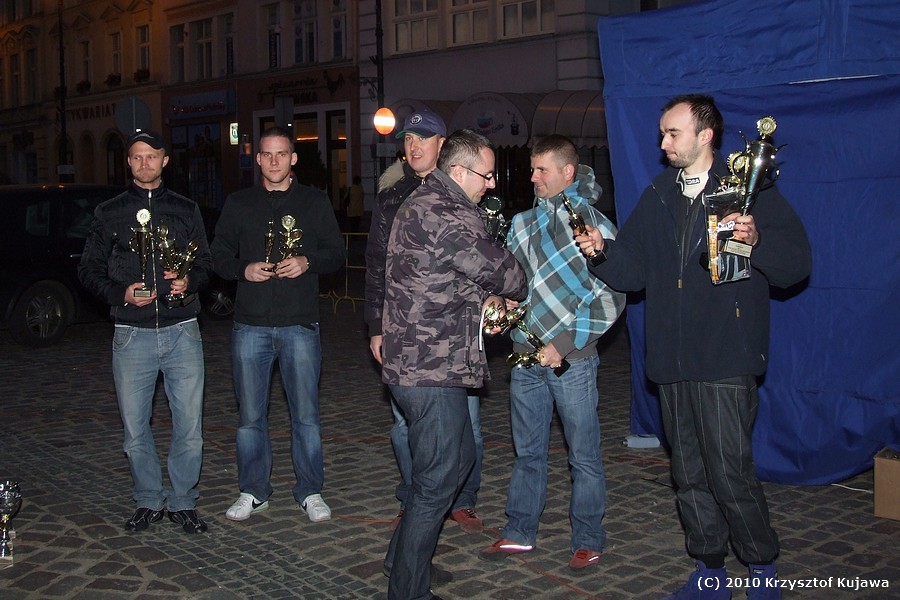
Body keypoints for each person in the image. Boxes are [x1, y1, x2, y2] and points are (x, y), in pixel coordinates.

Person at [575, 94, 812, 600]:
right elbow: (634, 271)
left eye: (672, 133)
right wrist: (601, 252)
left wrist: (758, 242)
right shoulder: (659, 194)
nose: (663, 143)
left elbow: (796, 267)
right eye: (662, 133)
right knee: (688, 475)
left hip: (726, 354)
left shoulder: (747, 191)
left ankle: (762, 570)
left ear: (706, 136)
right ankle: (709, 573)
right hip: (672, 357)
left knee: (730, 472)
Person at [381, 129, 527, 600]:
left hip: (426, 361)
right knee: (436, 482)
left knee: (459, 459)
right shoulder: (447, 212)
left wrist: (479, 296)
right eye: (487, 175)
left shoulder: (428, 201)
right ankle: (408, 590)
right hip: (430, 367)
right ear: (460, 172)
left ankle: (399, 557)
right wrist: (506, 283)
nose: (492, 184)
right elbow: (506, 273)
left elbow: (449, 274)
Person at [481, 135, 624, 570]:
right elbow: (512, 285)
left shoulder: (596, 227)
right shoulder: (522, 223)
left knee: (583, 455)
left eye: (542, 170)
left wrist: (562, 345)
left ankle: (588, 536)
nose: (533, 177)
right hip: (524, 356)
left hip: (573, 361)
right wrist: (499, 308)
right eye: (532, 168)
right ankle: (520, 530)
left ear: (568, 172)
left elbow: (612, 297)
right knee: (528, 453)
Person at [78, 130, 212, 534]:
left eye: (151, 156)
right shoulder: (110, 212)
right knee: (135, 429)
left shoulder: (185, 209)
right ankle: (149, 498)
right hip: (131, 334)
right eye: (136, 157)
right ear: (129, 162)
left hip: (182, 329)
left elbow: (206, 264)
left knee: (189, 427)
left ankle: (184, 500)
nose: (144, 163)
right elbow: (88, 269)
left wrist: (189, 282)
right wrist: (120, 293)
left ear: (165, 160)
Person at [211, 126, 345, 524]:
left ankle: (310, 490)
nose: (274, 161)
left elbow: (336, 253)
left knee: (306, 415)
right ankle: (253, 490)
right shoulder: (239, 203)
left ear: (293, 158)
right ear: (257, 159)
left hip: (299, 323)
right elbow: (217, 255)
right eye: (267, 154)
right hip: (250, 324)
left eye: (281, 154)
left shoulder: (314, 201)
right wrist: (243, 269)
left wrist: (308, 261)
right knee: (250, 417)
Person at [364, 110, 486, 535]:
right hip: (407, 335)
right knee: (406, 425)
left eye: (423, 138)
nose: (413, 146)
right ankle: (417, 499)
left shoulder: (467, 190)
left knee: (467, 426)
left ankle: (460, 499)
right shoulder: (391, 197)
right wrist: (375, 325)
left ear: (442, 144)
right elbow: (376, 266)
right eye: (408, 139)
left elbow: (483, 261)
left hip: (455, 335)